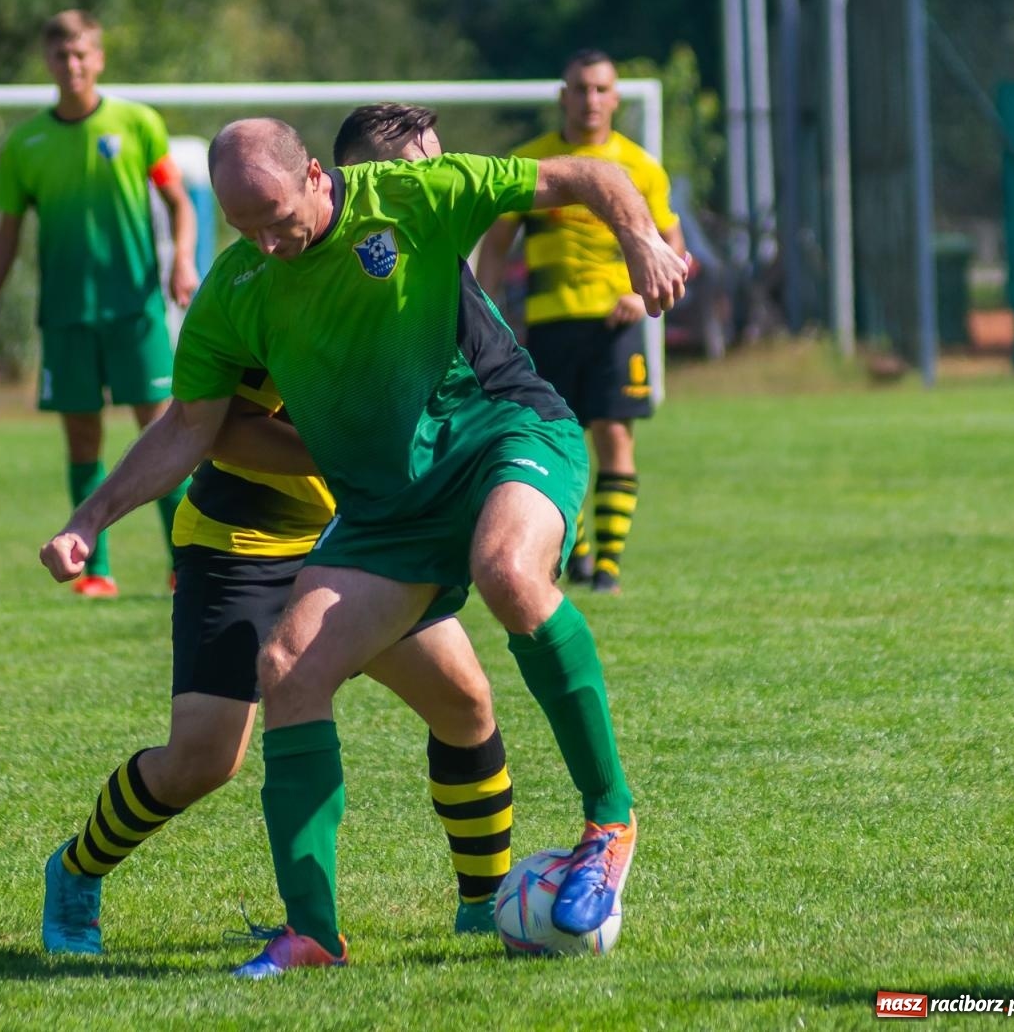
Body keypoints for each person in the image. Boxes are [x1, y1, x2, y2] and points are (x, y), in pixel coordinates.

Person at [40, 117, 687, 977]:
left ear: (315, 174)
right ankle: (311, 932)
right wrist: (91, 518)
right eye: (246, 230)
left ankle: (603, 825)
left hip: (496, 437)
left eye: (277, 217)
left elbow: (580, 175)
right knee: (282, 675)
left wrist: (640, 238)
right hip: (330, 520)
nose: (269, 244)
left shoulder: (412, 197)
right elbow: (196, 428)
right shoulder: (238, 290)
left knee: (503, 582)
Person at [0, 10, 199, 599]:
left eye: (81, 55)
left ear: (98, 58)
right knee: (82, 443)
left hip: (135, 309)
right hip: (68, 314)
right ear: (47, 62)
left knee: (163, 433)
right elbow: (5, 237)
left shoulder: (137, 123)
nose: (71, 66)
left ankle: (186, 563)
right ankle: (93, 570)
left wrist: (182, 260)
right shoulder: (26, 144)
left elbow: (180, 203)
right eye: (59, 56)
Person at [475, 49, 690, 595]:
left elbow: (674, 249)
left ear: (615, 98)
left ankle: (608, 571)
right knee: (556, 438)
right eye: (580, 88)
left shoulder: (640, 167)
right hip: (547, 324)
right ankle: (577, 555)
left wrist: (641, 299)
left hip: (615, 322)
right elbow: (496, 247)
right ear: (562, 96)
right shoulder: (532, 163)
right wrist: (490, 316)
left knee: (614, 433)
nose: (590, 100)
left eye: (600, 89)